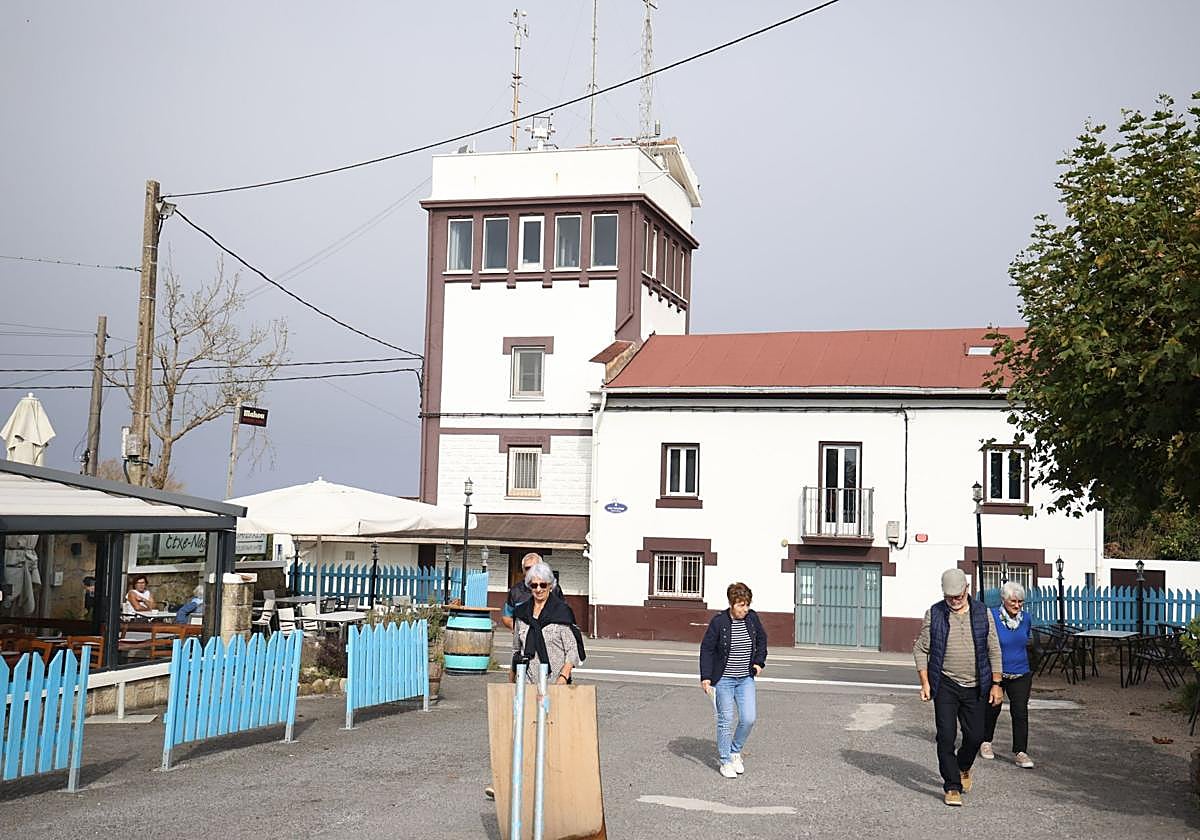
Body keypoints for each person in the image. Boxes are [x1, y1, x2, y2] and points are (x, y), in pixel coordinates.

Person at [913, 568, 1003, 806]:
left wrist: (996, 684)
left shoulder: (983, 613)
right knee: (946, 736)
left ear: (967, 588)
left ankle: (963, 767)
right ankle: (952, 786)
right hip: (946, 684)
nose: (954, 600)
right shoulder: (935, 613)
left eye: (958, 595)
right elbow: (921, 649)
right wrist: (925, 682)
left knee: (975, 737)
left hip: (976, 686)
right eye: (949, 596)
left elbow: (994, 648)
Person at [699, 582, 767, 779]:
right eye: (740, 605)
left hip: (745, 678)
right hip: (724, 680)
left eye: (747, 605)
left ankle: (735, 751)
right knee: (725, 720)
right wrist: (706, 677)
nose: (745, 610)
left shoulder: (752, 618)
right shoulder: (719, 622)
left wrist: (759, 663)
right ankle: (725, 760)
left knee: (748, 718)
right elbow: (707, 649)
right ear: (731, 604)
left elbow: (762, 640)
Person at [981, 581, 1035, 768]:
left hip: (1021, 672)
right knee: (992, 708)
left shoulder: (1026, 619)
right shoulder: (992, 616)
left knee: (1020, 711)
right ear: (1004, 599)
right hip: (997, 671)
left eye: (1020, 601)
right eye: (1013, 601)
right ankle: (985, 741)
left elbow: (1026, 641)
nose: (1017, 605)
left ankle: (1021, 751)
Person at [511, 561, 582, 686]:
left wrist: (563, 677)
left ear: (550, 585)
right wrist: (512, 677)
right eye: (534, 585)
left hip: (555, 682)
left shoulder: (561, 612)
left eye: (543, 585)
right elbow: (516, 649)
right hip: (526, 681)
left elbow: (572, 650)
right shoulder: (521, 613)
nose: (538, 589)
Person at [501, 552, 564, 630]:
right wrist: (518, 629)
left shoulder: (554, 589)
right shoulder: (515, 591)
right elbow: (506, 617)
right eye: (528, 568)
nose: (531, 571)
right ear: (523, 570)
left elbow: (563, 613)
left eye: (535, 567)